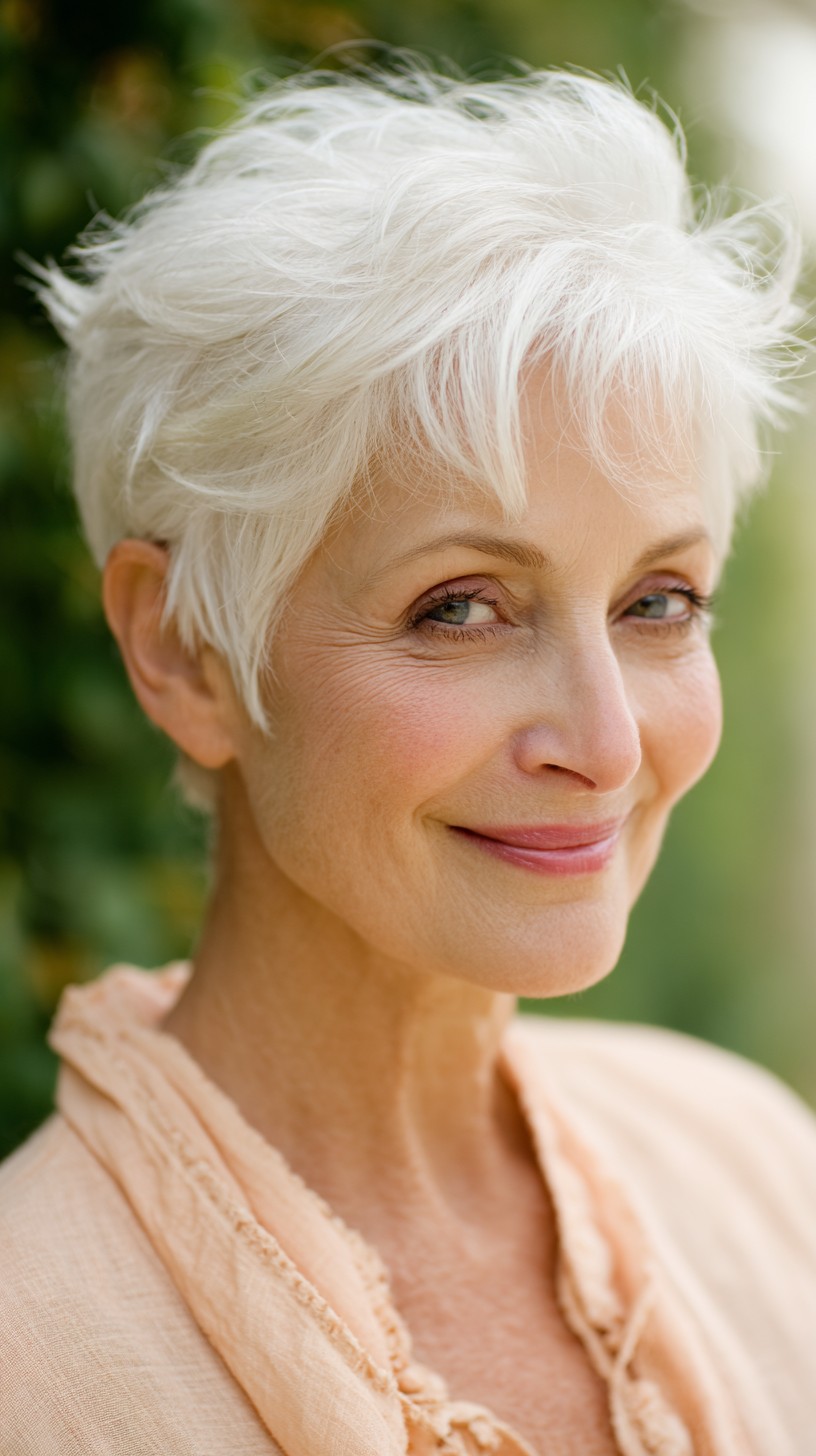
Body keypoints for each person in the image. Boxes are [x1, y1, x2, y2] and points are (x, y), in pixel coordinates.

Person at [1, 59, 814, 1456]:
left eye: (658, 601)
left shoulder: (759, 1168)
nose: (608, 744)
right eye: (461, 609)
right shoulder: (29, 1361)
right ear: (185, 650)